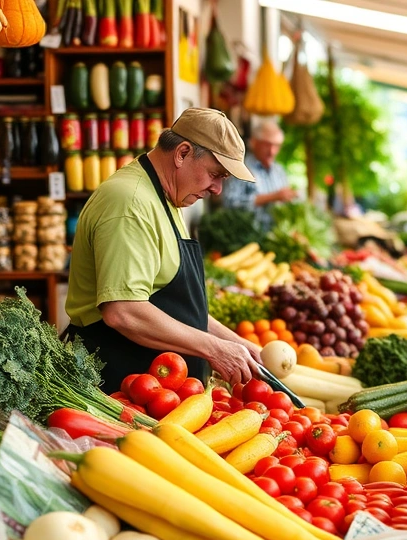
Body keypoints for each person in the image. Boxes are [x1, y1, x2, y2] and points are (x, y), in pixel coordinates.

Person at [66, 108, 262, 392]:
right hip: (121, 388)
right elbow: (123, 310)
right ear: (182, 153)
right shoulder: (130, 203)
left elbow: (173, 306)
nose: (217, 189)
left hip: (160, 388)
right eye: (215, 174)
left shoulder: (167, 195)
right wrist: (214, 349)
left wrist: (234, 343)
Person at [220, 119, 300, 229]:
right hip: (246, 236)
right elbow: (230, 204)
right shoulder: (241, 169)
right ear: (254, 142)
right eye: (267, 145)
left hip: (274, 237)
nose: (272, 151)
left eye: (276, 146)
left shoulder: (279, 171)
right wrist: (272, 197)